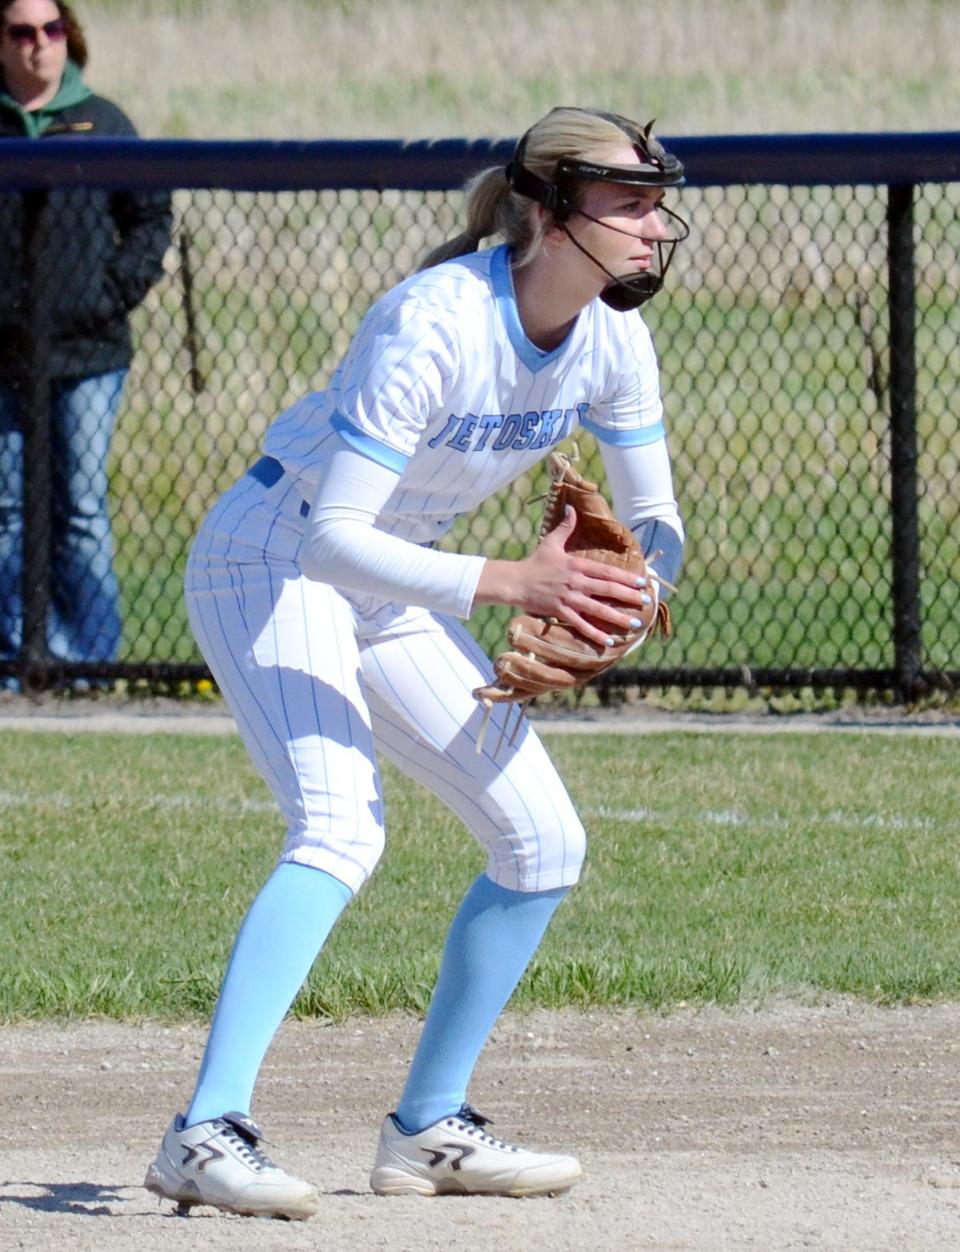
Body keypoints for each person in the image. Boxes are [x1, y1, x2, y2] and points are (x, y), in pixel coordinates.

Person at [144, 105, 688, 1220]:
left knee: (545, 840)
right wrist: (516, 585)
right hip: (274, 557)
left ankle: (428, 1127)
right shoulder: (434, 321)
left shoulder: (612, 339)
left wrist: (635, 598)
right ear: (547, 212)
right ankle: (203, 1130)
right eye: (628, 199)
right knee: (342, 826)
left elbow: (658, 519)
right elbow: (334, 536)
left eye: (655, 198)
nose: (654, 221)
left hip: (400, 580)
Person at [0, 0, 171, 681]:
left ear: (69, 38)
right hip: (3, 355)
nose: (40, 45)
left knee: (79, 508)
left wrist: (107, 295)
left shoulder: (103, 123)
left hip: (89, 353)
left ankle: (92, 661)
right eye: (21, 32)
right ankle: (14, 658)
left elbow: (150, 217)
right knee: (7, 510)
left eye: (52, 30)